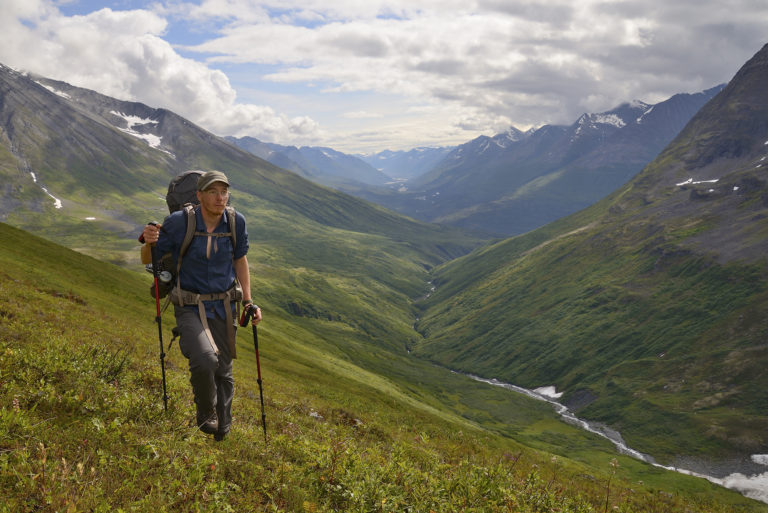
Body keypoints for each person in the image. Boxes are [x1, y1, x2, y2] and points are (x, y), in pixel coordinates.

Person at [142, 170, 261, 441]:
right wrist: (148, 242)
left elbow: (240, 260)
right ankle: (206, 413)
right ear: (199, 195)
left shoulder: (235, 222)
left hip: (225, 305)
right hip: (189, 305)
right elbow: (150, 259)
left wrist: (248, 302)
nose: (220, 198)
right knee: (205, 358)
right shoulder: (178, 223)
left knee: (224, 370)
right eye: (213, 192)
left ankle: (222, 431)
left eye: (224, 192)